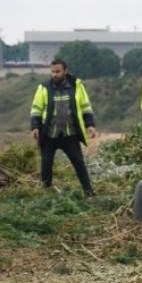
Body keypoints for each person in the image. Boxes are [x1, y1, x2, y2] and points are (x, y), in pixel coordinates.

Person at [30, 58, 97, 196]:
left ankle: (89, 192)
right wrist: (35, 126)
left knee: (79, 163)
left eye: (58, 71)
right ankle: (46, 194)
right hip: (49, 135)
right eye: (52, 71)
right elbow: (36, 108)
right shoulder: (43, 87)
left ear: (65, 71)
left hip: (70, 134)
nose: (55, 74)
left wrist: (90, 125)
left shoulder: (77, 86)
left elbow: (85, 106)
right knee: (46, 166)